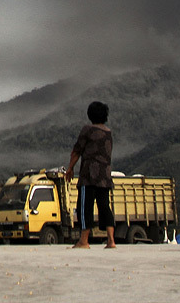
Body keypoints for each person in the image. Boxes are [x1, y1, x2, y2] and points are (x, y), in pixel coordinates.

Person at [67, 100, 114, 249]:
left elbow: (77, 150)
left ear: (90, 115)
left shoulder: (87, 130)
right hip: (105, 175)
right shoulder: (108, 133)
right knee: (104, 206)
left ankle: (83, 241)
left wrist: (70, 169)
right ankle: (111, 241)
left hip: (89, 175)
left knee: (85, 206)